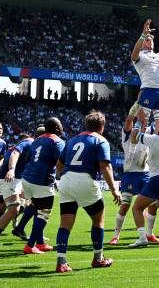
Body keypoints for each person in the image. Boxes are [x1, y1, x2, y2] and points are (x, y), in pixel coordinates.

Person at [54, 111, 122, 273]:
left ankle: (61, 262)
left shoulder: (72, 140)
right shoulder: (100, 140)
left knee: (65, 223)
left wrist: (63, 178)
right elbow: (105, 166)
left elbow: (59, 164)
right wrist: (114, 190)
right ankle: (98, 258)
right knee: (98, 220)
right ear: (102, 127)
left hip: (66, 180)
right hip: (84, 179)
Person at [108, 112, 159, 245]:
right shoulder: (128, 133)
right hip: (130, 174)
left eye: (146, 122)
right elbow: (128, 121)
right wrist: (136, 111)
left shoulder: (148, 133)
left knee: (157, 202)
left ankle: (149, 235)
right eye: (142, 122)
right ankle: (116, 235)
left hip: (145, 174)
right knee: (125, 206)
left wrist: (157, 110)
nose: (145, 124)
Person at [21, 117, 65, 254]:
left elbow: (28, 158)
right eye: (60, 124)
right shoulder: (58, 141)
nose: (62, 127)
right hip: (41, 181)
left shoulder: (37, 140)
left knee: (37, 208)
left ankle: (40, 243)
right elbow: (62, 162)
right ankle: (30, 245)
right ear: (57, 128)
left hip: (27, 178)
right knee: (44, 213)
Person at [0, 133, 34, 246]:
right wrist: (11, 169)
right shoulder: (28, 143)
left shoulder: (16, 146)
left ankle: (18, 229)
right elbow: (15, 155)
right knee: (14, 209)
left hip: (14, 179)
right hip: (10, 179)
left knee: (30, 203)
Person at [12, 126, 46, 240]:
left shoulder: (33, 144)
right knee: (40, 207)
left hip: (29, 178)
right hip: (35, 178)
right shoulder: (35, 144)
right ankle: (36, 237)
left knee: (35, 206)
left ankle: (23, 229)